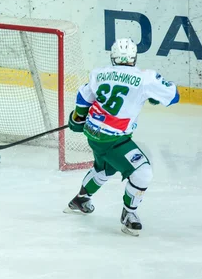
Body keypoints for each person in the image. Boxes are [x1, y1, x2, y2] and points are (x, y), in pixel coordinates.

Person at [65, 38, 179, 236]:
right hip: (113, 138)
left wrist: (77, 119)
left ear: (113, 57)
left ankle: (80, 200)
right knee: (143, 172)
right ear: (134, 58)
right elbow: (173, 96)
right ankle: (129, 214)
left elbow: (84, 97)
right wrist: (153, 95)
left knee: (105, 168)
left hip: (93, 132)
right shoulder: (145, 78)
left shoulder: (99, 73)